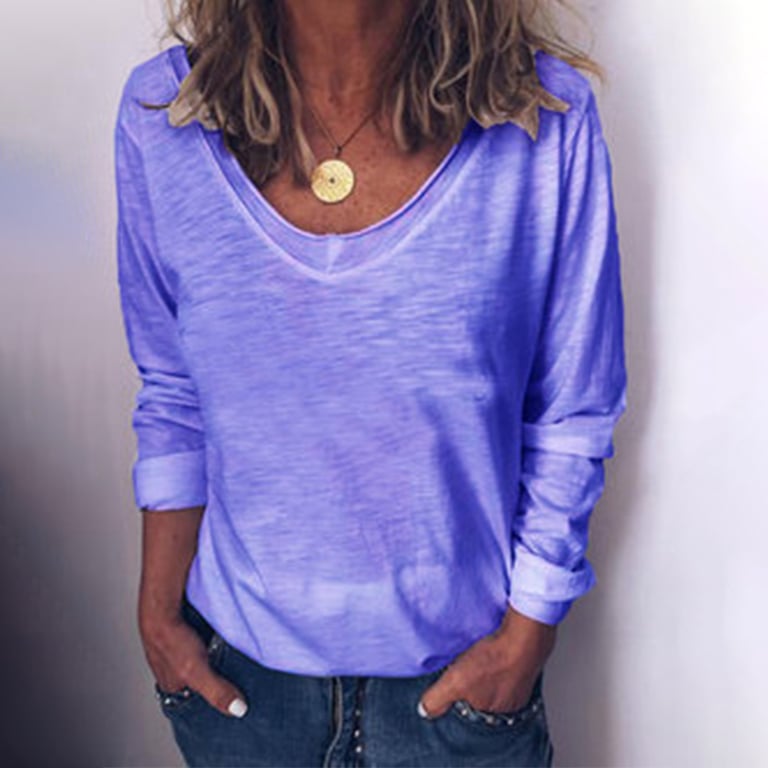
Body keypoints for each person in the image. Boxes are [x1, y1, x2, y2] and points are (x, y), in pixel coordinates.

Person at [114, 0, 628, 765]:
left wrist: (530, 630)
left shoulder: (543, 120)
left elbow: (571, 410)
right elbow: (172, 386)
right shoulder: (164, 117)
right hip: (240, 693)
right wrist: (159, 614)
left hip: (459, 699)